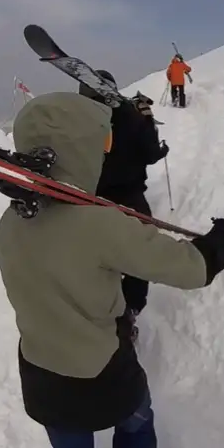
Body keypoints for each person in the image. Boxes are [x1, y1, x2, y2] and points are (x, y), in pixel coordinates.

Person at [0, 91, 224, 448]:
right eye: (100, 141)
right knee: (136, 423)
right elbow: (188, 267)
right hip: (101, 370)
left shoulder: (12, 221)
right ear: (76, 146)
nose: (104, 152)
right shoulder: (98, 226)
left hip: (40, 372)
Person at [77, 70, 169, 337]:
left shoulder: (79, 121)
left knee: (95, 258)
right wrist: (150, 126)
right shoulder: (132, 117)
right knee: (139, 255)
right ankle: (128, 312)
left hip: (86, 200)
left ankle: (95, 310)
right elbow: (151, 154)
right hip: (128, 199)